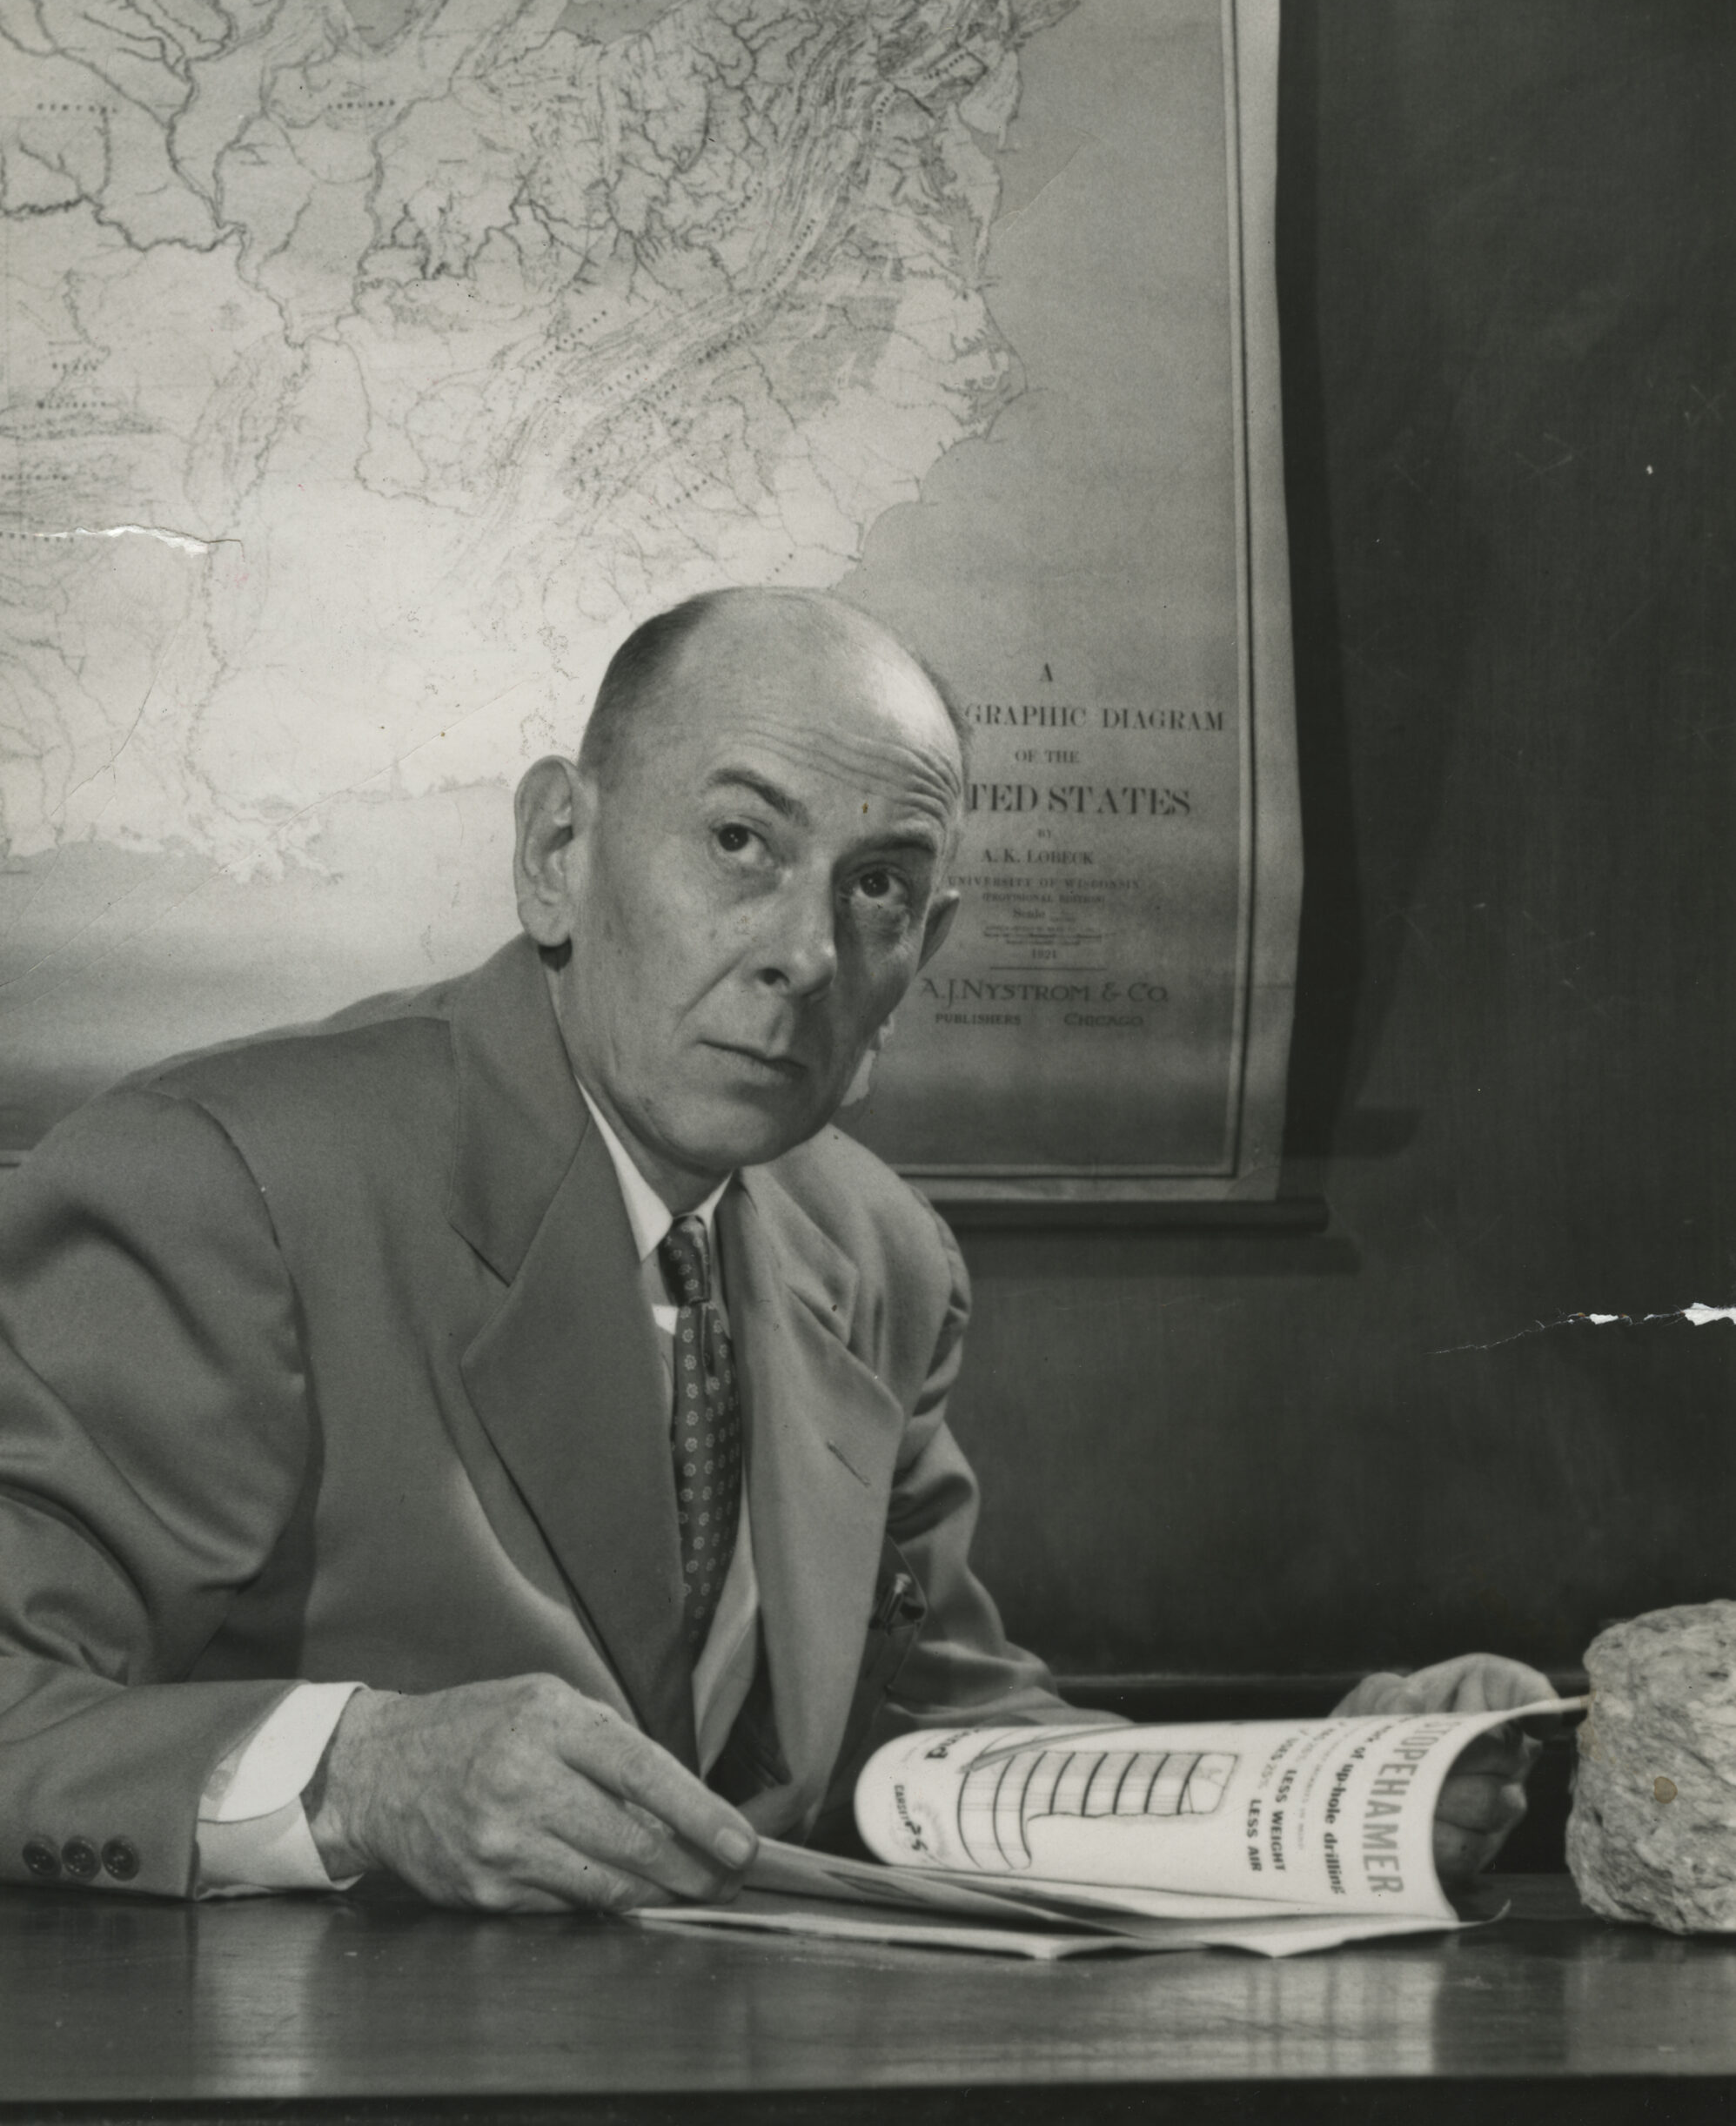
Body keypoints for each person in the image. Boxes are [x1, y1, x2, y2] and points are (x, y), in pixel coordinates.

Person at [0, 588, 1548, 1913]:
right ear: (557, 851)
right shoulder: (220, 1183)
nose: (808, 952)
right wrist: (353, 1774)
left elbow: (929, 1737)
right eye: (742, 840)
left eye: (877, 886)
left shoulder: (879, 1253)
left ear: (921, 955)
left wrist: (1326, 1785)